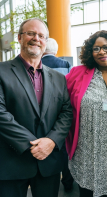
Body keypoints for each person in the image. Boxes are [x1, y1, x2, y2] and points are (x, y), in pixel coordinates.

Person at [0, 18, 73, 197]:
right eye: (30, 33)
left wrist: (51, 141)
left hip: (48, 163)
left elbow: (66, 112)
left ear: (45, 42)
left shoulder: (58, 78)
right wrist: (33, 145)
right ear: (19, 38)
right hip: (10, 161)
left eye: (41, 35)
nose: (36, 38)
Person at [65, 30, 107, 197]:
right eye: (96, 49)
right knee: (87, 192)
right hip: (87, 151)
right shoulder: (76, 74)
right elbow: (63, 105)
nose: (102, 52)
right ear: (90, 52)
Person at [42, 37, 74, 191]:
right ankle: (67, 183)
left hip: (44, 114)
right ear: (55, 50)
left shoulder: (38, 64)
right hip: (63, 110)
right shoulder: (66, 65)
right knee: (65, 148)